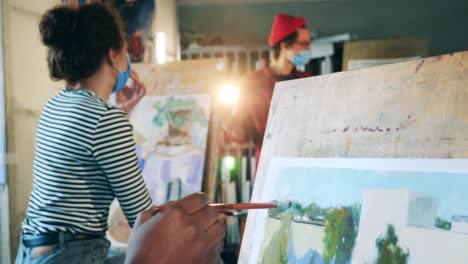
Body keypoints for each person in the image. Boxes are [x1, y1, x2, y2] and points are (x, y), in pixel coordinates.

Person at [16, 3, 225, 263]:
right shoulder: (105, 119)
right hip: (72, 254)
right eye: (126, 49)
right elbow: (143, 216)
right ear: (112, 55)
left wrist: (123, 112)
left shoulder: (56, 104)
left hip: (32, 250)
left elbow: (87, 148)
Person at [223, 13, 313, 167]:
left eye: (309, 43)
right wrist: (231, 121)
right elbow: (238, 135)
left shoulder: (307, 80)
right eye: (303, 44)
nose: (308, 49)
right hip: (269, 165)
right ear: (284, 46)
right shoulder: (251, 84)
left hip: (303, 162)